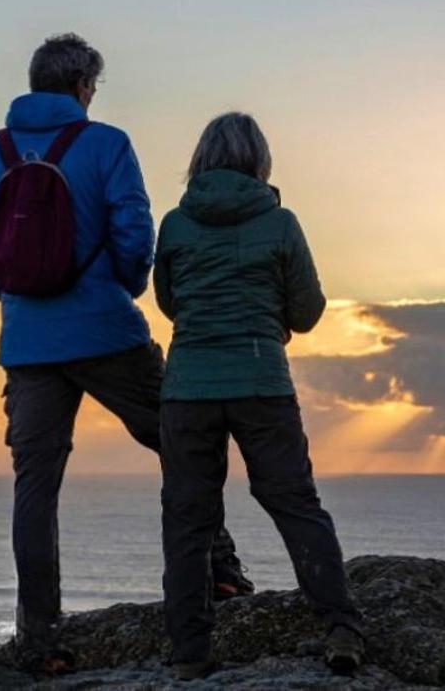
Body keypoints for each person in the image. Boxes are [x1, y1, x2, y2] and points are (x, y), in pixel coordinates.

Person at [0, 34, 250, 676]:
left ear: (34, 83)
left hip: (27, 345)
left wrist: (19, 294)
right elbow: (134, 234)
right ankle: (219, 570)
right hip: (109, 331)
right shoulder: (106, 145)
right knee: (181, 441)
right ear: (84, 87)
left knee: (36, 487)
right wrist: (117, 288)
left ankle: (39, 639)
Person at [155, 112, 364, 681]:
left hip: (188, 388)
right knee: (295, 503)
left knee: (187, 517)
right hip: (261, 382)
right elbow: (308, 312)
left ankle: (190, 652)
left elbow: (169, 303)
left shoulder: (175, 225)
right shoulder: (281, 223)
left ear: (200, 160)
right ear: (259, 162)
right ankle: (341, 627)